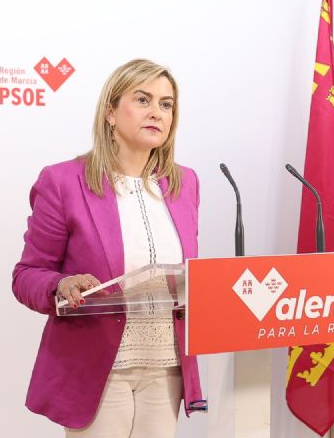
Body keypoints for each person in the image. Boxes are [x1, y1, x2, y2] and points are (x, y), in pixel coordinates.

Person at [12, 59, 205, 438]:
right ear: (110, 113)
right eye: (143, 99)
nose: (157, 112)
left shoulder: (185, 183)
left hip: (167, 366)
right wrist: (61, 285)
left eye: (166, 104)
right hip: (99, 367)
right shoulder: (64, 182)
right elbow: (26, 275)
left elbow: (187, 275)